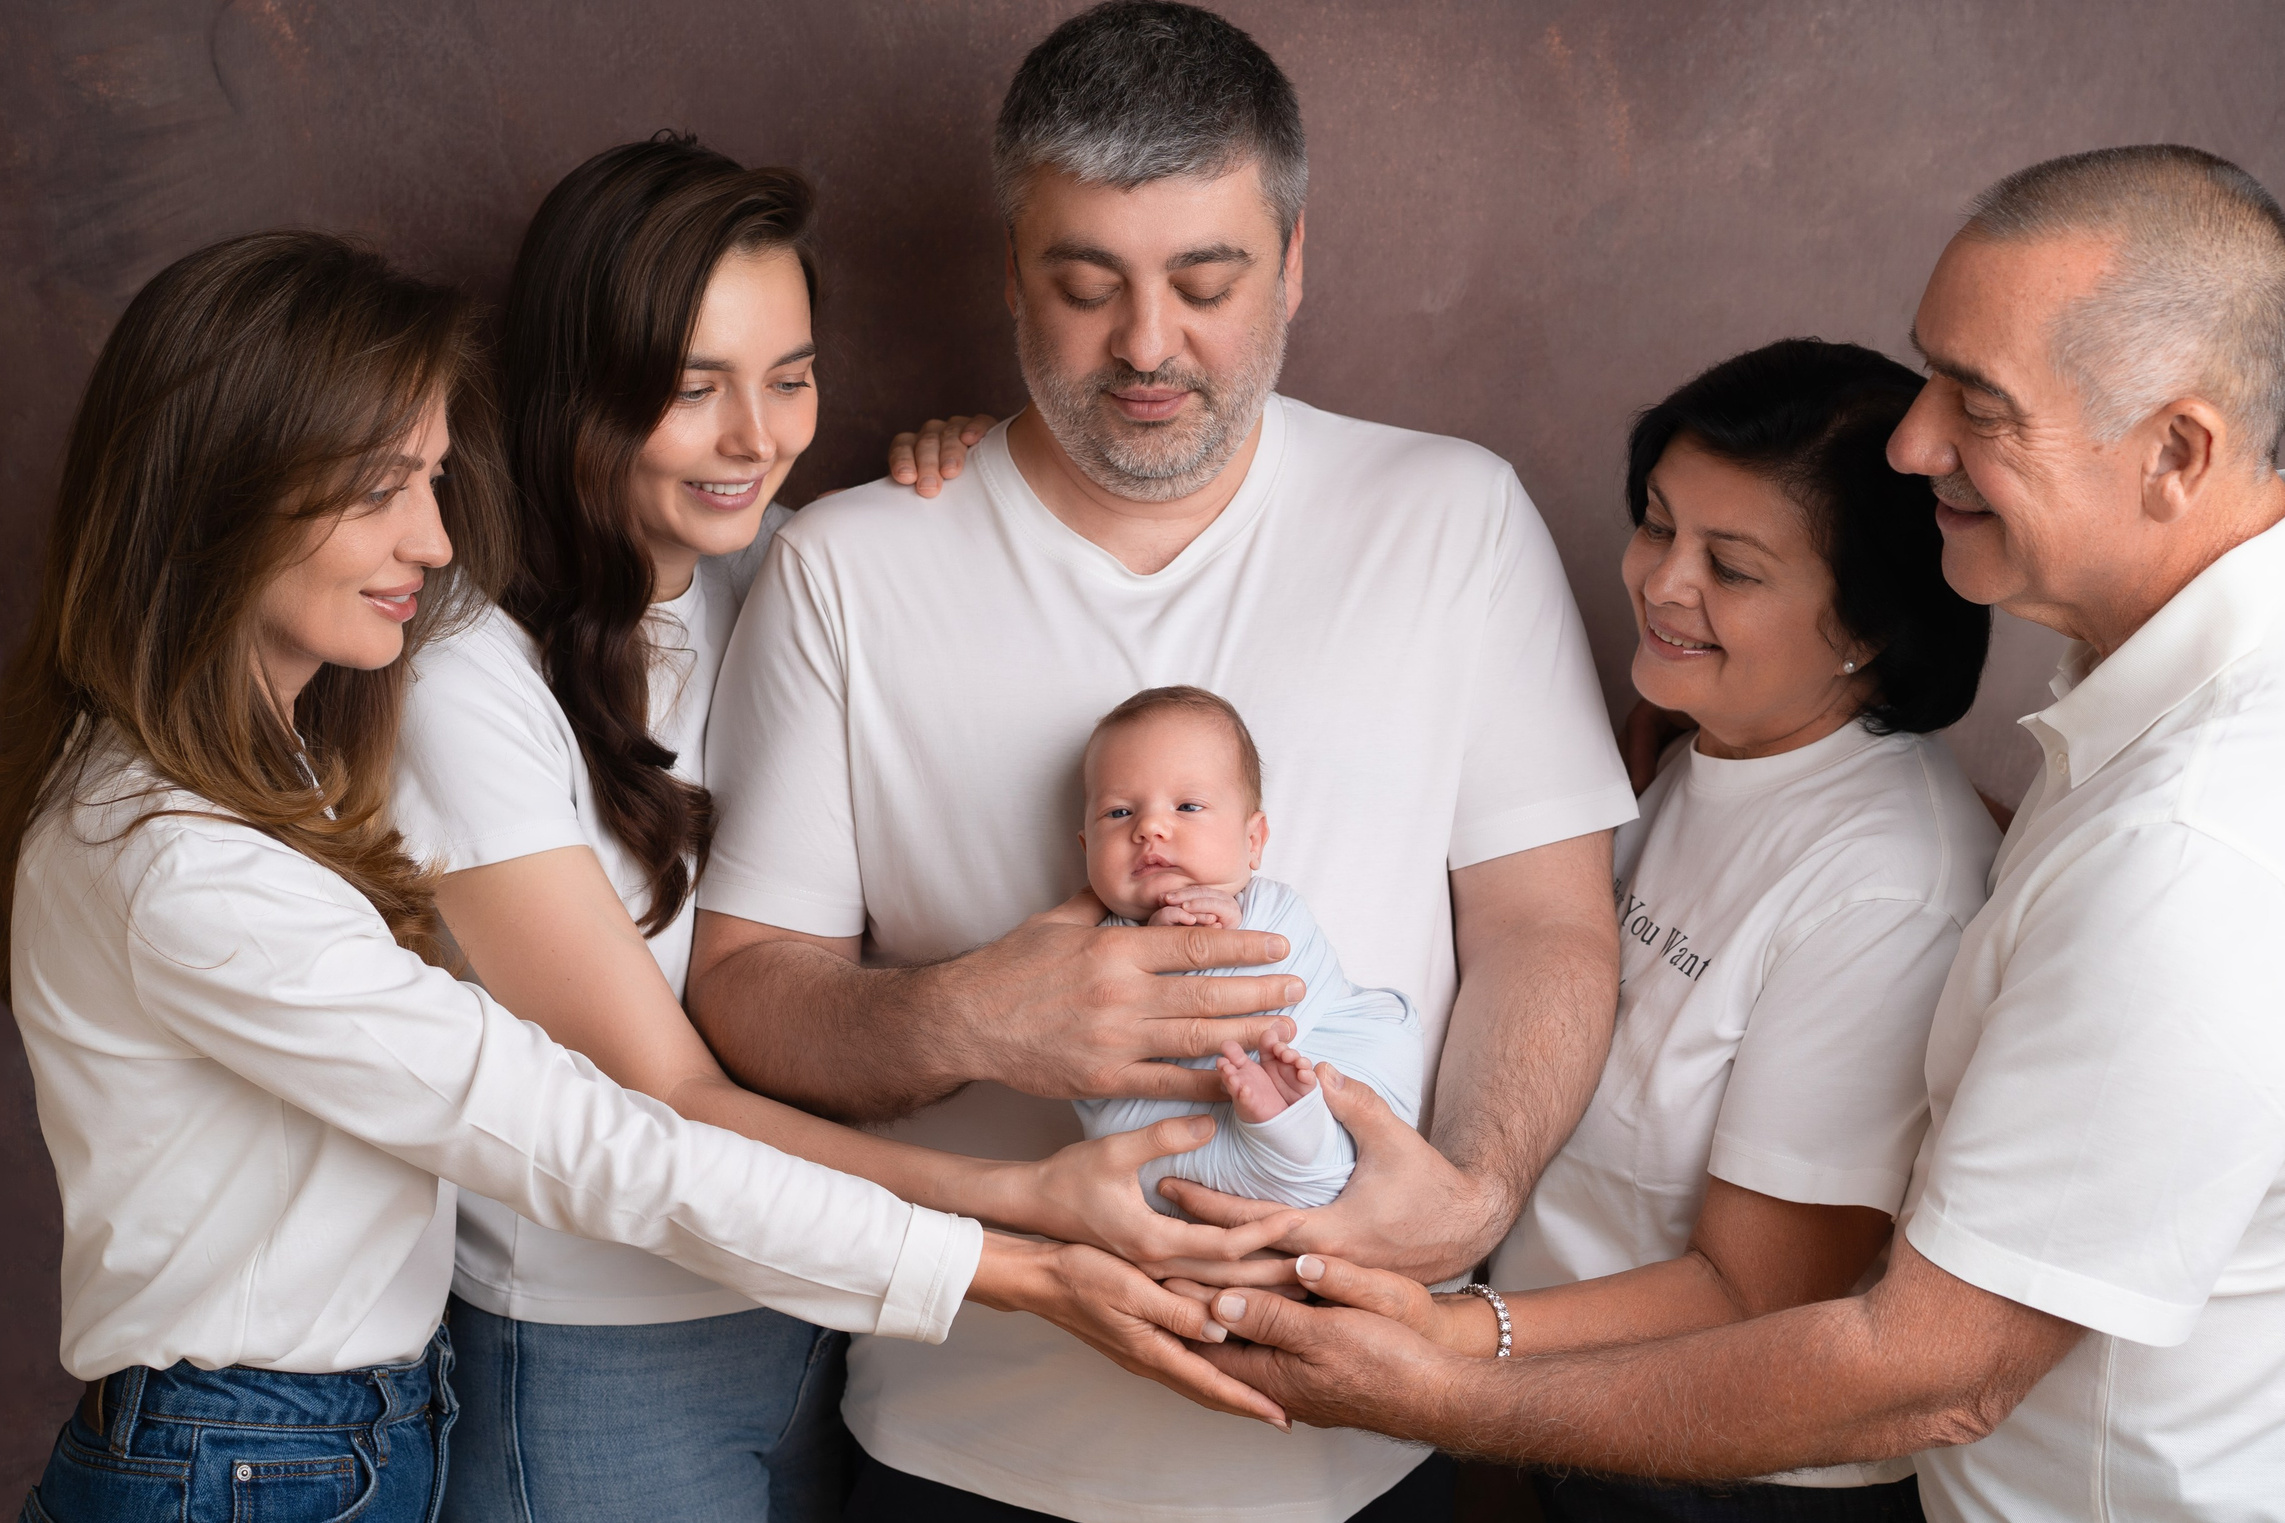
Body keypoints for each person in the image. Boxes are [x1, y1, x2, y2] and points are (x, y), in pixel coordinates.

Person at [2, 231, 1269, 1523]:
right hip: (251, 1456)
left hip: (343, 1427)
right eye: (380, 488)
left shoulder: (271, 765)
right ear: (222, 488)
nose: (436, 541)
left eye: (435, 481)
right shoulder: (181, 860)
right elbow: (589, 1130)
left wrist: (972, 466)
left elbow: (826, 542)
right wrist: (1014, 1244)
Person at [1187, 145, 2285, 1523]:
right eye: (1925, 371)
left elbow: (1928, 1365)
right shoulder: (2109, 747)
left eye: (1979, 403)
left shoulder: (2193, 847)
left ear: (2177, 451)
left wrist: (1438, 1372)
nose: (1912, 440)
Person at [686, 3, 1636, 1518]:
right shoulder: (850, 566)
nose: (1146, 345)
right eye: (1083, 286)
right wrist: (966, 1015)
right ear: (1011, 274)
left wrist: (1476, 1186)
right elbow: (740, 986)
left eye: (1207, 283)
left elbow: (1544, 924)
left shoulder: (1451, 519)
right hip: (960, 1447)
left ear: (1296, 263)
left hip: (1360, 1447)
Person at [388, 137, 1301, 1521]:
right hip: (596, 1340)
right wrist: (1023, 1204)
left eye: (791, 375)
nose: (757, 434)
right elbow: (671, 1097)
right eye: (693, 389)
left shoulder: (760, 561)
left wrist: (958, 465)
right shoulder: (464, 679)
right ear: (577, 387)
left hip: (818, 1308)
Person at [1062, 685, 1424, 1211]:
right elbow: (1094, 1046)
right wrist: (1161, 950)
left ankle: (1292, 1123)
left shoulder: (1274, 908)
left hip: (1325, 1052)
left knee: (1379, 1046)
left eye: (1187, 806)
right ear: (1085, 848)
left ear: (1253, 841)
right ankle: (1285, 1130)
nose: (1150, 828)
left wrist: (1218, 937)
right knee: (1130, 1158)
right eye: (1118, 814)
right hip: (1178, 1141)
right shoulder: (1091, 950)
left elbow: (1291, 978)